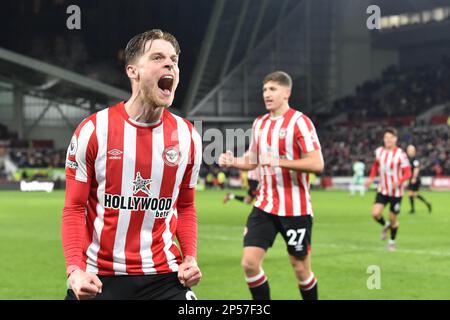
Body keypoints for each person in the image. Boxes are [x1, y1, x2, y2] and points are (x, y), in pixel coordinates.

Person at [61, 29, 202, 300]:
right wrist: (75, 270)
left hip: (164, 277)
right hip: (99, 279)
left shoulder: (188, 137)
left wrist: (190, 258)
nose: (170, 63)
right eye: (158, 57)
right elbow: (75, 208)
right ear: (133, 71)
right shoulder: (93, 130)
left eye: (174, 59)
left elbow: (185, 206)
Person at [219, 71, 324, 300]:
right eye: (265, 89)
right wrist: (233, 161)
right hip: (265, 205)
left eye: (273, 89)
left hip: (295, 209)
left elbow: (317, 163)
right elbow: (253, 159)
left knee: (300, 269)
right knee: (249, 263)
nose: (267, 94)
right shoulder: (259, 124)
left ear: (287, 93)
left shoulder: (300, 122)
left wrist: (279, 161)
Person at [364, 128, 411, 252]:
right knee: (375, 214)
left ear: (395, 139)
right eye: (386, 138)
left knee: (393, 218)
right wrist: (370, 178)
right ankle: (386, 226)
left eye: (390, 137)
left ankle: (391, 242)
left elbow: (407, 172)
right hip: (383, 189)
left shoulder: (401, 154)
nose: (388, 140)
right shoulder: (379, 152)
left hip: (396, 192)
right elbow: (375, 166)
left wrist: (399, 181)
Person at [406, 145, 432, 214]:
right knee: (412, 194)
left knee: (412, 194)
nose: (408, 151)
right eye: (408, 150)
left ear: (413, 151)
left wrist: (414, 178)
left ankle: (415, 209)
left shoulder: (415, 159)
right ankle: (415, 208)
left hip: (415, 179)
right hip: (411, 178)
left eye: (410, 150)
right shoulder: (409, 159)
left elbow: (416, 169)